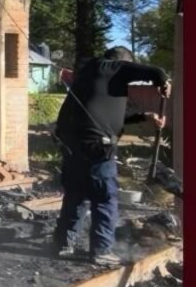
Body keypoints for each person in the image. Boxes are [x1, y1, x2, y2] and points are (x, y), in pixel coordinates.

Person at [52, 46, 171, 266]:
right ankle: (101, 250)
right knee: (104, 198)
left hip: (71, 144)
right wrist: (163, 83)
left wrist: (146, 116)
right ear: (122, 63)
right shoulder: (111, 66)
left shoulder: (92, 76)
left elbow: (113, 116)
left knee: (76, 194)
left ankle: (63, 244)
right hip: (96, 146)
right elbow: (157, 72)